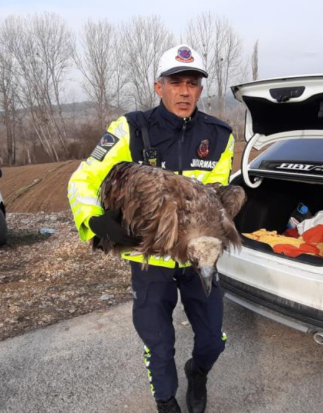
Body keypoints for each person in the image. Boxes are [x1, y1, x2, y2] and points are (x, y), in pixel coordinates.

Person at [68, 45, 235, 413]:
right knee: (159, 343)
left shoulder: (220, 137)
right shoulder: (130, 130)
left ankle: (199, 372)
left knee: (212, 340)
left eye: (193, 83)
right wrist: (94, 221)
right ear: (159, 87)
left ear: (201, 90)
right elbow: (83, 180)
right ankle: (165, 401)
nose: (185, 91)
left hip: (196, 261)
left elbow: (215, 197)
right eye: (176, 82)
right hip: (149, 261)